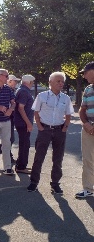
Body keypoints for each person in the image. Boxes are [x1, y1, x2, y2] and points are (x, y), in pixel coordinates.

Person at [27, 72, 74, 194]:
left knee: (58, 158)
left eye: (62, 81)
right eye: (58, 81)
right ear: (50, 82)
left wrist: (65, 128)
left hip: (59, 130)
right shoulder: (42, 96)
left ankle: (55, 184)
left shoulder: (66, 98)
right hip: (45, 130)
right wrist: (39, 125)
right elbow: (36, 111)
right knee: (39, 157)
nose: (61, 83)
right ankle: (34, 182)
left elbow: (68, 114)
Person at [76, 62, 94, 199]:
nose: (84, 76)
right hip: (88, 130)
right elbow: (82, 110)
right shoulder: (88, 89)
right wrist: (86, 123)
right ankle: (88, 188)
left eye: (85, 72)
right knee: (88, 159)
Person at [0, 74, 20, 165]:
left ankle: (7, 156)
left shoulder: (12, 90)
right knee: (10, 139)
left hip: (11, 117)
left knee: (9, 139)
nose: (16, 83)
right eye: (15, 81)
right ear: (9, 81)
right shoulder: (6, 89)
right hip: (4, 118)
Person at [14, 74, 36, 174]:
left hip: (22, 122)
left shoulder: (21, 89)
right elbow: (20, 107)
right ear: (29, 82)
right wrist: (28, 123)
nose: (33, 84)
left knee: (24, 143)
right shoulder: (23, 91)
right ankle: (21, 167)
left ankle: (20, 165)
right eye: (32, 82)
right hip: (23, 123)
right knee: (24, 144)